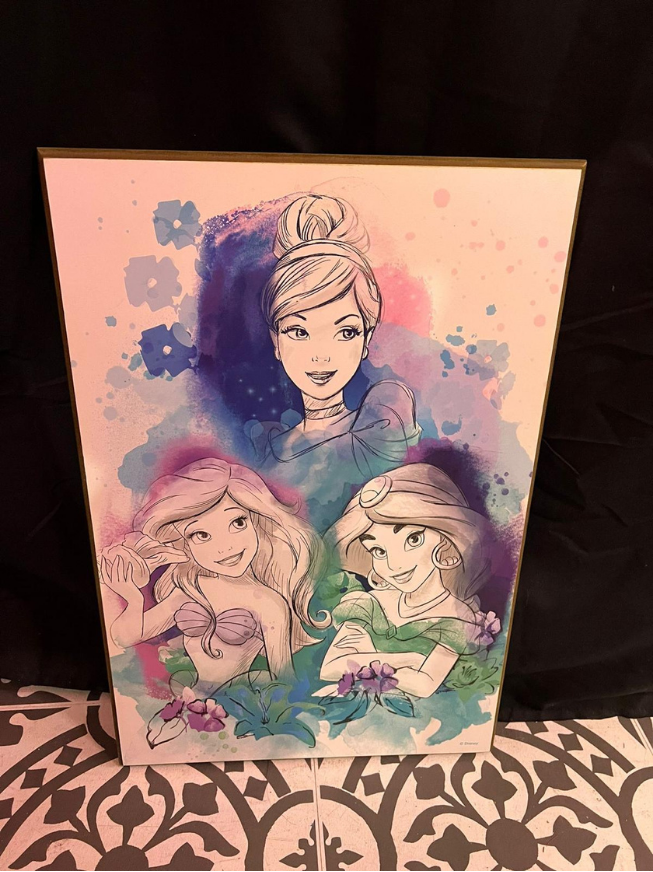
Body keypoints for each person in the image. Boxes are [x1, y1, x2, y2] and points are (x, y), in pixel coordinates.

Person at [248, 194, 421, 515]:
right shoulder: (267, 451)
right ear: (276, 340)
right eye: (299, 331)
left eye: (346, 332)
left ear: (366, 337)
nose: (321, 356)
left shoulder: (380, 425)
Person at [98, 458, 328, 693]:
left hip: (239, 700)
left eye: (238, 522)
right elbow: (123, 639)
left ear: (256, 521)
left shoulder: (269, 604)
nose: (226, 546)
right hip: (193, 696)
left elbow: (285, 680)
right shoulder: (188, 591)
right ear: (183, 543)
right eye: (201, 535)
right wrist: (133, 599)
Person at [319, 463, 498, 698]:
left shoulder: (459, 615)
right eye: (378, 551)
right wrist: (410, 660)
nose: (394, 565)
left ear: (445, 541)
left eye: (413, 539)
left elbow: (424, 685)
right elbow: (330, 668)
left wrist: (362, 661)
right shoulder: (370, 603)